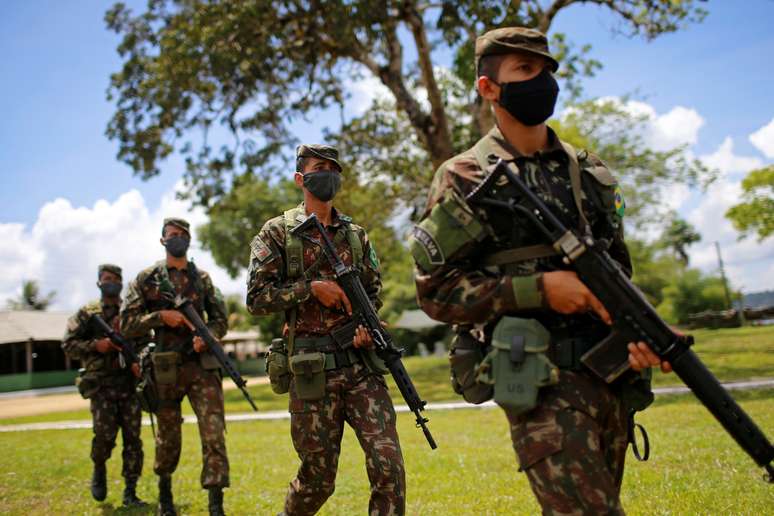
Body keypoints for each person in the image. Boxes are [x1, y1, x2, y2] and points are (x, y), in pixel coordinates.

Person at [410, 27, 671, 515]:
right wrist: (540, 289)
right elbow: (436, 292)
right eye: (525, 71)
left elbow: (619, 275)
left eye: (545, 70)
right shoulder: (465, 176)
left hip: (609, 379)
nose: (541, 81)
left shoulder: (589, 171)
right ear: (489, 88)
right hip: (539, 383)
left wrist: (645, 332)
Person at [246, 144, 405, 515]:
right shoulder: (276, 233)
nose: (328, 174)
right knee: (318, 479)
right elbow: (256, 299)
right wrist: (310, 288)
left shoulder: (356, 235)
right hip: (311, 368)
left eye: (333, 168)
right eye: (320, 167)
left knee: (389, 466)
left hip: (361, 366)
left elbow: (373, 293)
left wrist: (367, 325)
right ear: (300, 178)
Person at [120, 218, 230, 516]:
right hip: (165, 368)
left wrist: (209, 337)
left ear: (189, 239)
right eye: (172, 235)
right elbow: (127, 324)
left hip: (201, 367)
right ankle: (165, 498)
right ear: (162, 240)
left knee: (213, 432)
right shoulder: (147, 279)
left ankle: (215, 503)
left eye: (183, 235)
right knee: (168, 435)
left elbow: (221, 319)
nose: (178, 238)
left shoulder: (203, 278)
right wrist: (160, 317)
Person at [62, 263, 146, 507]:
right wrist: (95, 346)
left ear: (121, 282)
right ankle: (99, 467)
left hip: (129, 387)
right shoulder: (88, 314)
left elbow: (142, 341)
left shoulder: (130, 311)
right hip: (101, 388)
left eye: (115, 278)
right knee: (104, 437)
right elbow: (68, 345)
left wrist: (139, 362)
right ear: (99, 282)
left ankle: (130, 491)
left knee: (133, 440)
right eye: (106, 278)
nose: (111, 282)